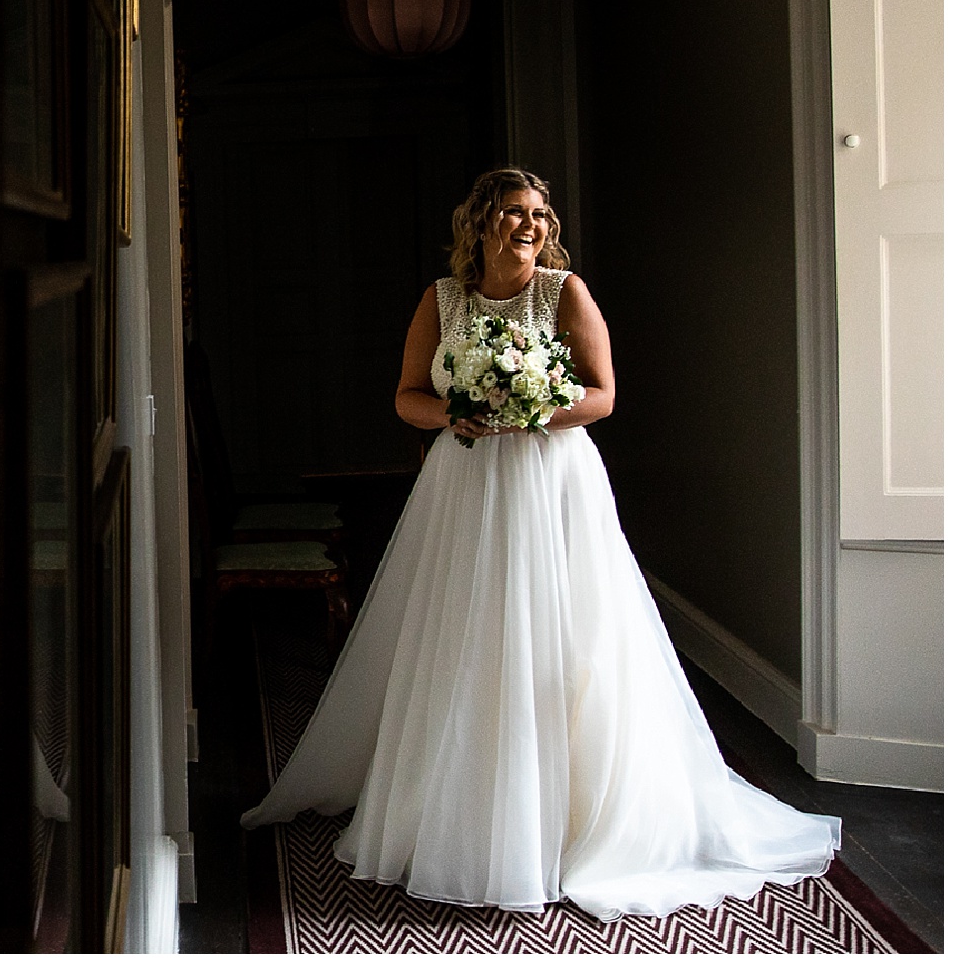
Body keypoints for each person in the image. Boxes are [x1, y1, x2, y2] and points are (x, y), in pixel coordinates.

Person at [241, 167, 840, 922]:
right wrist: (455, 415)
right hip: (463, 487)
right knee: (466, 637)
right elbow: (406, 396)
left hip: (552, 485)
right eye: (515, 212)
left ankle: (566, 818)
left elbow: (602, 393)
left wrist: (533, 406)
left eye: (539, 213)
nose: (531, 224)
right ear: (481, 222)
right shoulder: (442, 299)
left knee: (568, 639)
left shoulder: (564, 294)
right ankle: (458, 806)